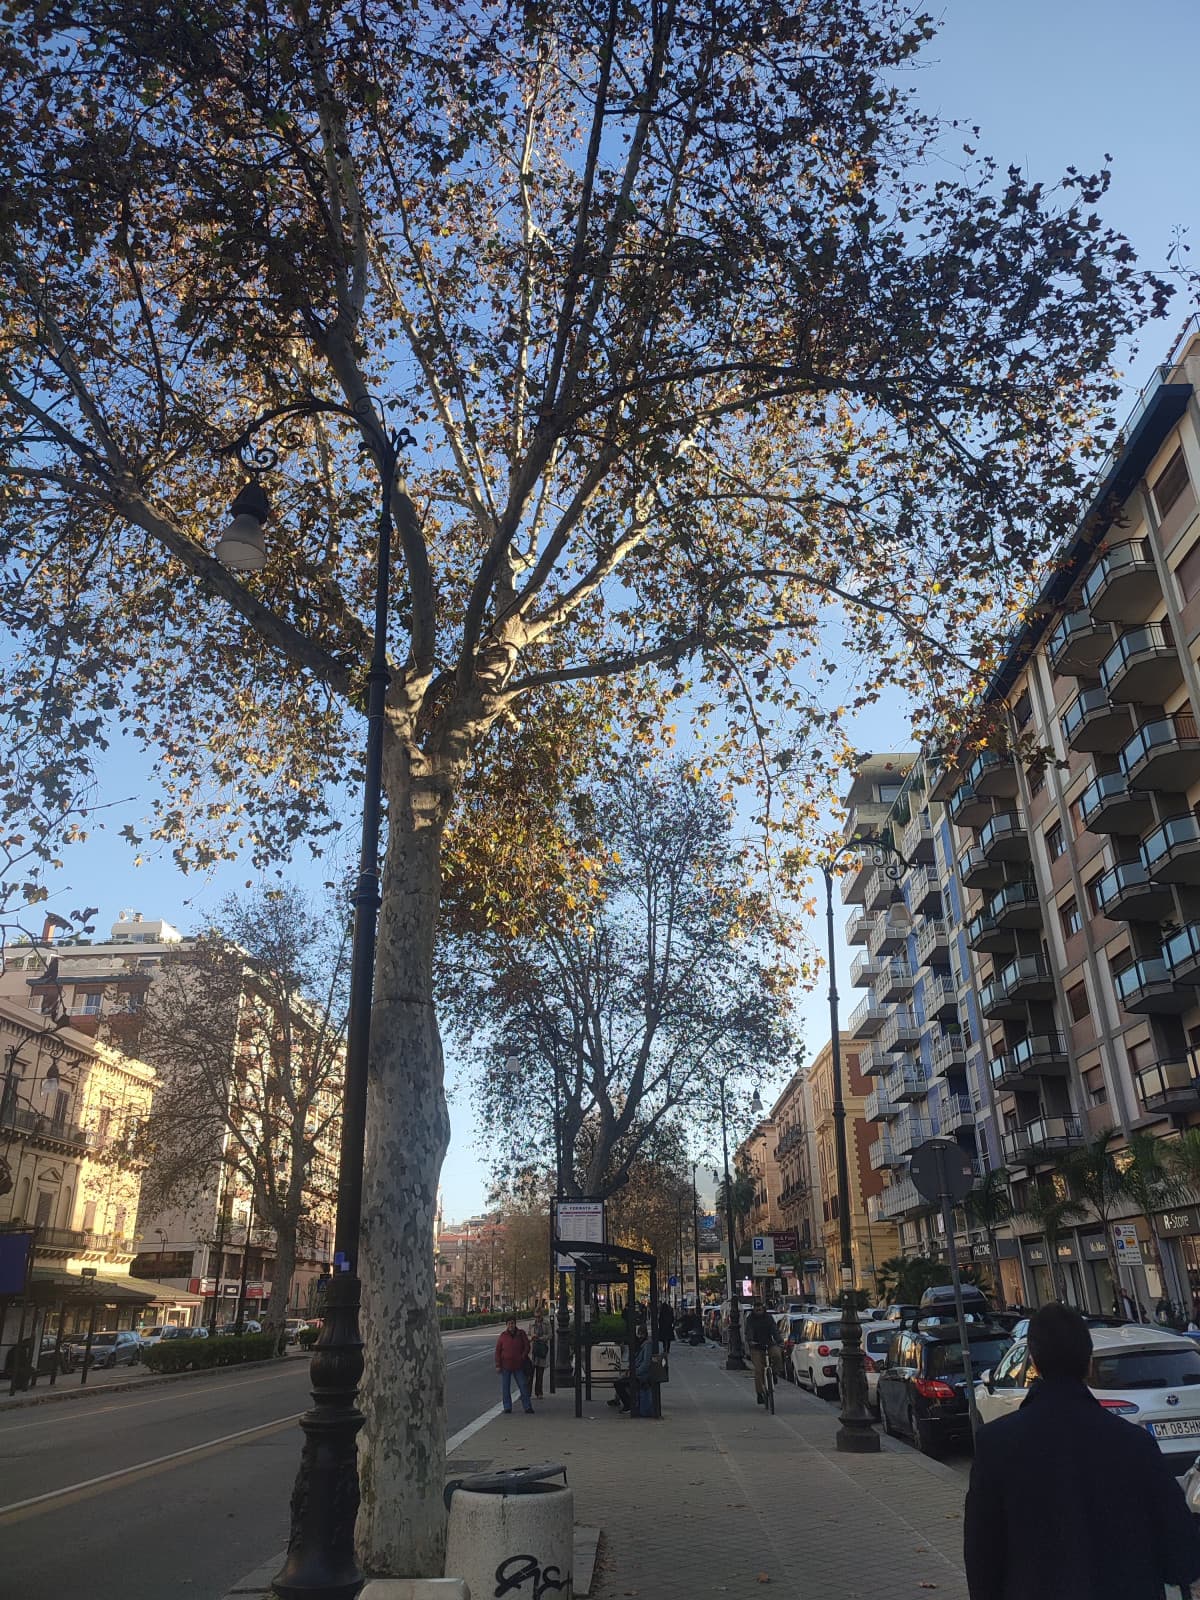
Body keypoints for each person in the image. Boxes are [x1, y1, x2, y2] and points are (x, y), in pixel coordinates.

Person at [964, 1302, 1200, 1600]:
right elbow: (1183, 1557)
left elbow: (982, 1562)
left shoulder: (995, 1446)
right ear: (1088, 1363)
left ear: (1034, 1364)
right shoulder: (1134, 1444)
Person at [744, 1298, 782, 1405]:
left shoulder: (769, 1318)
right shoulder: (750, 1319)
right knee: (759, 1370)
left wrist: (779, 1341)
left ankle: (774, 1373)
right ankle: (760, 1393)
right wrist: (751, 1341)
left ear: (763, 1309)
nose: (759, 1312)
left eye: (760, 1310)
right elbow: (749, 1331)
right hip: (756, 1346)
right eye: (757, 1310)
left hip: (768, 1343)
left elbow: (774, 1330)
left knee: (777, 1355)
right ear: (754, 1310)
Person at [494, 1316, 534, 1415]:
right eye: (509, 1324)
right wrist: (498, 1365)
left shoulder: (521, 1334)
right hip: (505, 1365)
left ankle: (527, 1407)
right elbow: (498, 1351)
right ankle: (507, 1407)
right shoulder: (503, 1336)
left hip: (518, 1365)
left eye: (512, 1323)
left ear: (515, 1324)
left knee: (523, 1386)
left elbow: (527, 1346)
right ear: (506, 1325)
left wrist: (522, 1357)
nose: (511, 1325)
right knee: (505, 1388)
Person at [609, 1325, 653, 1414]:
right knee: (620, 1379)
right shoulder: (641, 1345)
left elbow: (645, 1364)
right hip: (637, 1372)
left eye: (640, 1334)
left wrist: (633, 1372)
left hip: (642, 1376)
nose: (639, 1337)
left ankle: (628, 1404)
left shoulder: (647, 1345)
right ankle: (619, 1400)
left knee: (619, 1383)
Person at [529, 1311, 550, 1399]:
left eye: (539, 1316)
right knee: (530, 1374)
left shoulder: (546, 1323)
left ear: (542, 1316)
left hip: (541, 1349)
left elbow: (550, 1335)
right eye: (536, 1316)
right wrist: (532, 1337)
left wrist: (541, 1338)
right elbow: (528, 1335)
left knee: (540, 1373)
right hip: (533, 1350)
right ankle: (528, 1393)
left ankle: (539, 1392)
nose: (537, 1318)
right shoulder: (532, 1324)